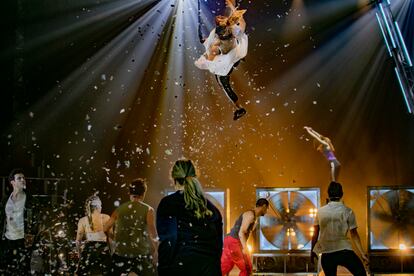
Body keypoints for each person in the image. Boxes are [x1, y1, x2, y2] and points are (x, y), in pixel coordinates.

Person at [157, 159, 223, 276]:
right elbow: (218, 244)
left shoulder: (168, 204)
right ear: (195, 176)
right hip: (209, 268)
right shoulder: (210, 207)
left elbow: (169, 240)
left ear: (174, 178)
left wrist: (163, 269)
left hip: (181, 267)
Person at [195, 0, 248, 120]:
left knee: (223, 83)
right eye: (219, 17)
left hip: (228, 58)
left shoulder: (229, 28)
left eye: (220, 16)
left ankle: (239, 108)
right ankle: (238, 108)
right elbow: (214, 41)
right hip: (228, 57)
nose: (220, 16)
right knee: (221, 81)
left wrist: (231, 7)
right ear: (219, 23)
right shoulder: (221, 30)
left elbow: (242, 24)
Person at [311, 182, 369, 276]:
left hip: (327, 252)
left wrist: (312, 252)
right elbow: (354, 234)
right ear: (342, 194)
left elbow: (315, 234)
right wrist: (362, 253)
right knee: (361, 273)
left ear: (328, 194)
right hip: (344, 251)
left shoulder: (320, 212)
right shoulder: (348, 211)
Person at [104, 178, 158, 276]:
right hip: (141, 256)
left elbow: (105, 228)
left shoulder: (119, 209)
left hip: (121, 255)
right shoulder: (149, 210)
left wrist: (113, 238)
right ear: (143, 193)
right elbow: (152, 233)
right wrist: (157, 250)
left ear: (129, 192)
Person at [0, 169, 39, 275]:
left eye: (23, 178)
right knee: (5, 269)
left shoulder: (30, 200)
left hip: (23, 240)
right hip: (7, 240)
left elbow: (36, 221)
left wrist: (32, 236)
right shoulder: (5, 200)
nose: (23, 180)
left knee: (22, 270)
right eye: (19, 178)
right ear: (12, 182)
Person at [221, 198, 269, 276]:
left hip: (230, 240)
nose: (267, 212)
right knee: (247, 268)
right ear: (263, 206)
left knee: (225, 267)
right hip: (234, 241)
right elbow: (241, 233)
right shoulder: (250, 215)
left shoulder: (255, 219)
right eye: (267, 209)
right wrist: (245, 248)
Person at [75, 194, 111, 275]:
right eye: (101, 205)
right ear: (98, 206)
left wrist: (80, 255)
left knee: (80, 273)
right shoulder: (106, 217)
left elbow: (78, 241)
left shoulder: (82, 220)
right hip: (103, 250)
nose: (101, 208)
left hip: (89, 250)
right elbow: (111, 239)